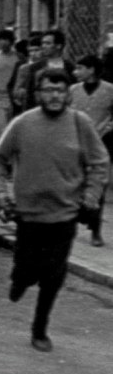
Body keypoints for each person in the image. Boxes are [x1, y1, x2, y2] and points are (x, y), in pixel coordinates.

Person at [0, 69, 109, 352]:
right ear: (38, 94)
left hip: (65, 214)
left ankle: (39, 328)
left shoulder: (81, 124)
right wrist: (0, 194)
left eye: (60, 91)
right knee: (27, 270)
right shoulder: (22, 124)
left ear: (68, 94)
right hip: (28, 216)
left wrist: (90, 197)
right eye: (48, 90)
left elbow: (99, 163)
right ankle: (20, 279)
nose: (54, 96)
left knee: (53, 276)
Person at [69, 54, 113, 247]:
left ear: (92, 69)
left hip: (100, 144)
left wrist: (107, 128)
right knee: (74, 184)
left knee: (98, 185)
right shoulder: (73, 90)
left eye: (80, 68)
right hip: (75, 143)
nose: (76, 72)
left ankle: (95, 230)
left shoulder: (110, 90)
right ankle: (73, 221)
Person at [15, 29, 75, 111]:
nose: (43, 46)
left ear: (58, 46)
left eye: (48, 43)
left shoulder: (70, 67)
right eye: (43, 43)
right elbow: (30, 95)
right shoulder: (35, 67)